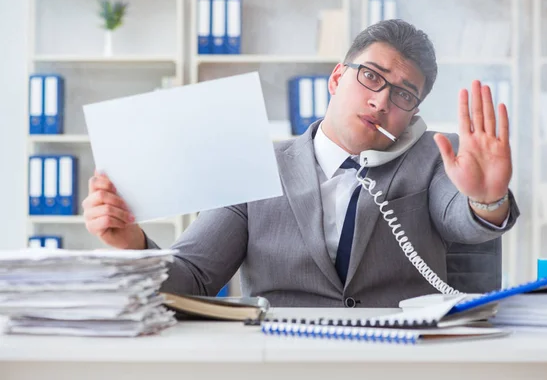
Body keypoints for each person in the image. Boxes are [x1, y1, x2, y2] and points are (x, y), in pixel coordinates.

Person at [83, 19, 520, 307]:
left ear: (414, 111)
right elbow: (193, 276)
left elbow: (462, 220)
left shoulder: (437, 156)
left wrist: (486, 200)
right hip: (281, 359)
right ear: (336, 77)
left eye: (403, 94)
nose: (380, 100)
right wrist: (133, 245)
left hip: (402, 358)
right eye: (371, 76)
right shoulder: (254, 164)